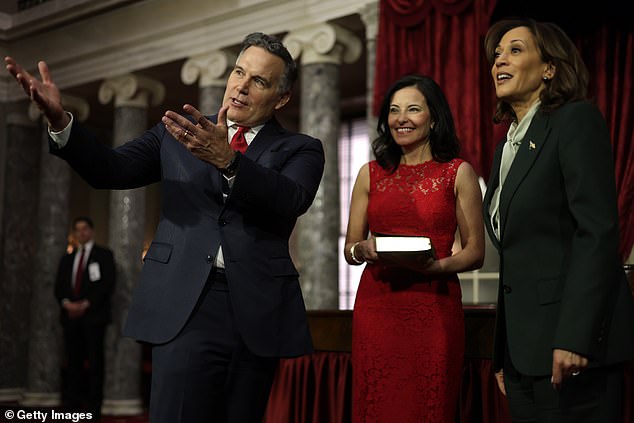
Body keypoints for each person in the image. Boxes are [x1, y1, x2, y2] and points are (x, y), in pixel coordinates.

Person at [6, 32, 325, 423]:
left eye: (258, 81)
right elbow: (109, 169)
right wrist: (60, 122)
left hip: (256, 311)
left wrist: (229, 161)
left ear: (282, 97)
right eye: (238, 72)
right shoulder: (178, 133)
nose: (240, 87)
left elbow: (292, 199)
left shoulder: (301, 148)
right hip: (186, 303)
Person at [482, 18, 634, 422]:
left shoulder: (574, 120)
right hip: (522, 358)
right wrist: (503, 354)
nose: (500, 58)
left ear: (549, 67)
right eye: (497, 53)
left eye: (515, 49)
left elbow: (597, 233)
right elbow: (518, 258)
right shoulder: (504, 150)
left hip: (571, 351)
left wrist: (574, 337)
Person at [344, 74, 485, 422]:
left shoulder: (457, 172)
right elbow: (349, 248)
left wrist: (434, 268)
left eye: (412, 109)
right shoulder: (369, 174)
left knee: (430, 407)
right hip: (377, 308)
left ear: (433, 118)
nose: (401, 118)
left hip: (434, 307)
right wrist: (362, 251)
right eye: (393, 110)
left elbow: (474, 252)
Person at [54, 216, 115, 420]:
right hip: (70, 319)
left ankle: (94, 409)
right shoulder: (67, 258)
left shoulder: (104, 255)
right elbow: (59, 286)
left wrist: (86, 304)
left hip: (94, 319)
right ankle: (72, 407)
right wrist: (66, 303)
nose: (81, 233)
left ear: (92, 231)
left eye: (85, 229)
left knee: (96, 364)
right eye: (77, 230)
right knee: (73, 364)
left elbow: (107, 284)